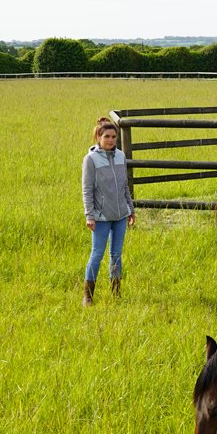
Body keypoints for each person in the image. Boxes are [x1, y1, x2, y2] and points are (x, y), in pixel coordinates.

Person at [81, 117, 134, 306]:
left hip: (120, 215)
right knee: (97, 254)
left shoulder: (120, 156)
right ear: (98, 137)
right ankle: (88, 296)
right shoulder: (91, 160)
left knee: (116, 255)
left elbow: (125, 185)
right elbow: (87, 190)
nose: (111, 140)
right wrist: (90, 215)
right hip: (101, 217)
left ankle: (116, 293)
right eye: (107, 137)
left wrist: (130, 209)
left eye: (113, 137)